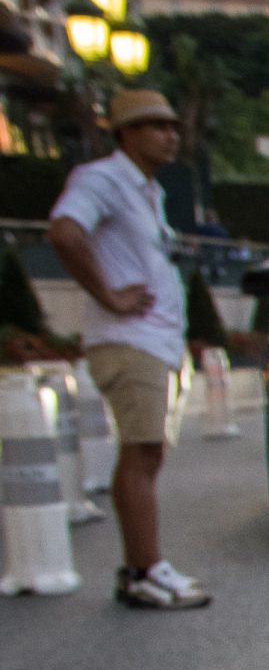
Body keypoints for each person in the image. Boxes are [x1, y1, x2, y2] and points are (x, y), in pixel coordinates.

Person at [45, 90, 207, 610]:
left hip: (153, 339)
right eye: (155, 126)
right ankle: (143, 569)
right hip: (128, 339)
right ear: (126, 134)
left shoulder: (147, 191)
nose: (170, 135)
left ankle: (143, 566)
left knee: (147, 452)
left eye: (171, 125)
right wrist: (108, 295)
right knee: (141, 452)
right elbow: (65, 232)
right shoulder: (102, 180)